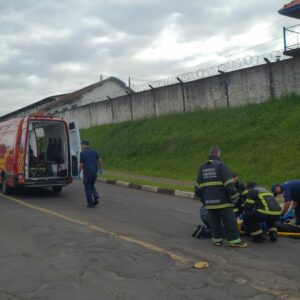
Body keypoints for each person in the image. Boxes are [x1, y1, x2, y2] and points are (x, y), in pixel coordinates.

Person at [195, 147, 247, 247]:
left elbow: (197, 187)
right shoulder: (221, 165)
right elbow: (229, 184)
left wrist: (204, 200)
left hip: (210, 202)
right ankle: (235, 241)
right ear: (219, 154)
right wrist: (234, 198)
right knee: (230, 221)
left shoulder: (202, 167)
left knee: (214, 221)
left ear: (210, 154)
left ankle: (217, 240)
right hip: (223, 201)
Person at [79, 140, 102, 208]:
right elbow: (100, 160)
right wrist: (100, 169)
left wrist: (78, 172)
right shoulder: (94, 151)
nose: (81, 146)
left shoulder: (82, 153)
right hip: (94, 172)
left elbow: (81, 164)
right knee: (91, 185)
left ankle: (90, 204)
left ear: (84, 145)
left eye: (81, 145)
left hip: (87, 173)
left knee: (87, 188)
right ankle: (96, 197)